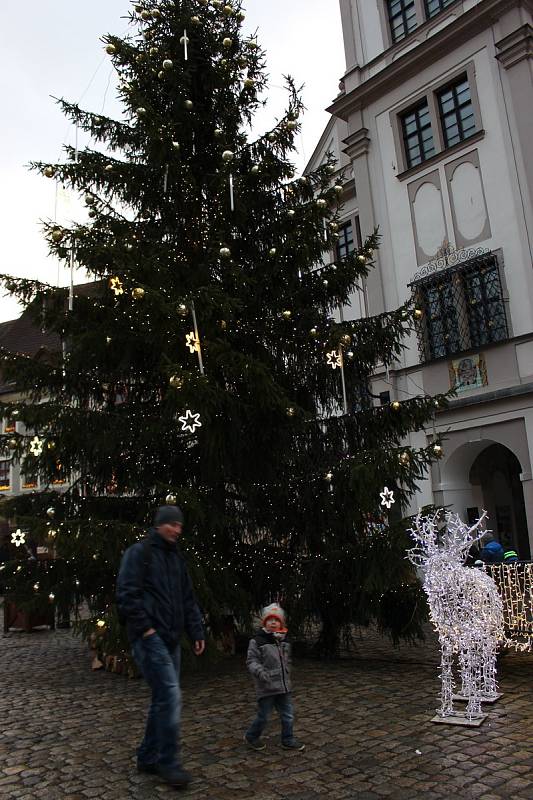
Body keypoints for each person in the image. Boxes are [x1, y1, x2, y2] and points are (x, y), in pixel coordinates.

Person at [116, 505, 205, 789]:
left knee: (162, 699)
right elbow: (127, 594)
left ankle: (147, 756)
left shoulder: (177, 559)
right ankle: (169, 762)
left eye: (180, 525)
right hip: (148, 638)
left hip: (171, 638)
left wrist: (195, 631)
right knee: (170, 696)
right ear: (160, 525)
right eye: (173, 524)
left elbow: (187, 598)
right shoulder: (138, 554)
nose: (177, 530)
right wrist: (146, 628)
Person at [244, 603, 305, 752]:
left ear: (281, 623)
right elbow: (251, 661)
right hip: (266, 686)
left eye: (276, 620)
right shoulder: (258, 641)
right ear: (265, 622)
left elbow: (286, 660)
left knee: (288, 714)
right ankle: (251, 736)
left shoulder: (283, 640)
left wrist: (287, 671)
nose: (273, 622)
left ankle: (288, 739)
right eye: (270, 619)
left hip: (283, 686)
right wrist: (261, 672)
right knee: (263, 716)